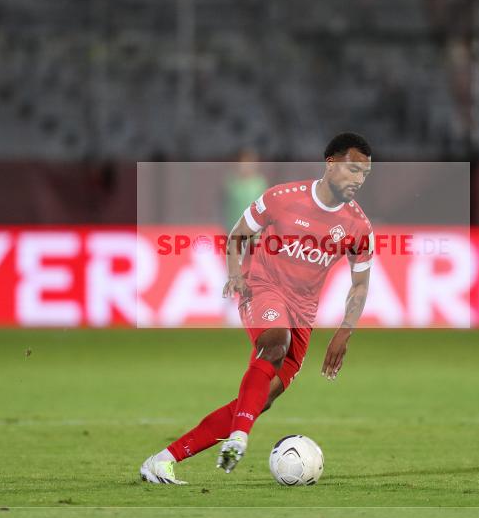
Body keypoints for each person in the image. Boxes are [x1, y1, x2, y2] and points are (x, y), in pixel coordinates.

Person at [140, 132, 374, 484]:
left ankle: (162, 460)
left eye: (364, 174)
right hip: (261, 285)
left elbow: (359, 284)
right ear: (331, 163)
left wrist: (345, 331)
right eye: (353, 169)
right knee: (275, 344)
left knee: (257, 401)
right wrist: (235, 273)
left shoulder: (358, 225)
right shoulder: (281, 198)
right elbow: (237, 235)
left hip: (303, 313)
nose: (358, 180)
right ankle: (240, 438)